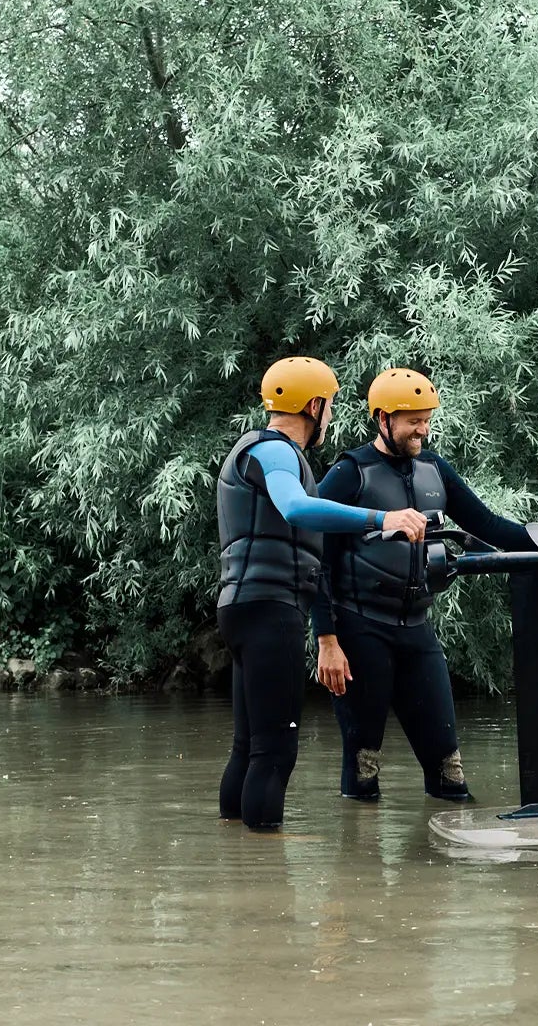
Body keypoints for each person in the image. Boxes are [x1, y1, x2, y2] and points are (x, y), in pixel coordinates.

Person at [215, 356, 426, 831]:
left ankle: (235, 865)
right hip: (271, 609)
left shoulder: (253, 450)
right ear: (313, 405)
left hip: (241, 606)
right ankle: (264, 886)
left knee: (248, 745)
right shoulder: (275, 451)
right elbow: (294, 508)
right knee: (275, 751)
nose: (330, 416)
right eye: (329, 406)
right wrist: (382, 518)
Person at [312, 368, 538, 803]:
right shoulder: (349, 473)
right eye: (413, 420)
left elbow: (489, 524)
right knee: (363, 769)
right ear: (383, 419)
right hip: (359, 632)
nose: (423, 429)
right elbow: (314, 558)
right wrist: (327, 640)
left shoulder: (435, 469)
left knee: (449, 771)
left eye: (427, 418)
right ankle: (358, 862)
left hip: (417, 630)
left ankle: (449, 855)